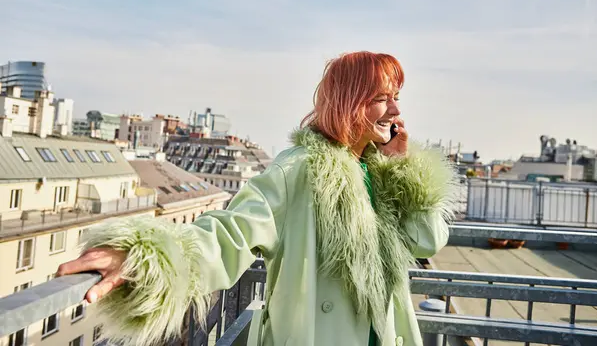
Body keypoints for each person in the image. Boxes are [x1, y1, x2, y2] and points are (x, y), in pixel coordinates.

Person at [57, 51, 458, 346]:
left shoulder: (379, 171)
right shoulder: (300, 169)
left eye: (397, 97)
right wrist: (148, 256)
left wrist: (405, 168)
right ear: (350, 102)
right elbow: (231, 231)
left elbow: (427, 240)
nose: (396, 109)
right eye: (382, 97)